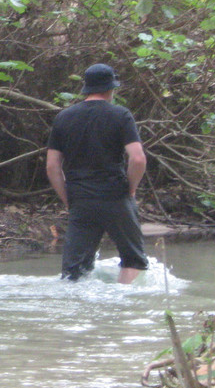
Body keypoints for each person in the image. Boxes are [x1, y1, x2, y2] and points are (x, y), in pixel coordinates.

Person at [45, 63, 148, 283]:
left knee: (74, 271)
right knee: (133, 260)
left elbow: (52, 166)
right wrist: (131, 188)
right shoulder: (121, 115)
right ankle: (120, 302)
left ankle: (79, 313)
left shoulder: (63, 117)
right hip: (116, 196)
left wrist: (68, 198)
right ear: (111, 88)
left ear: (86, 88)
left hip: (80, 199)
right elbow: (137, 158)